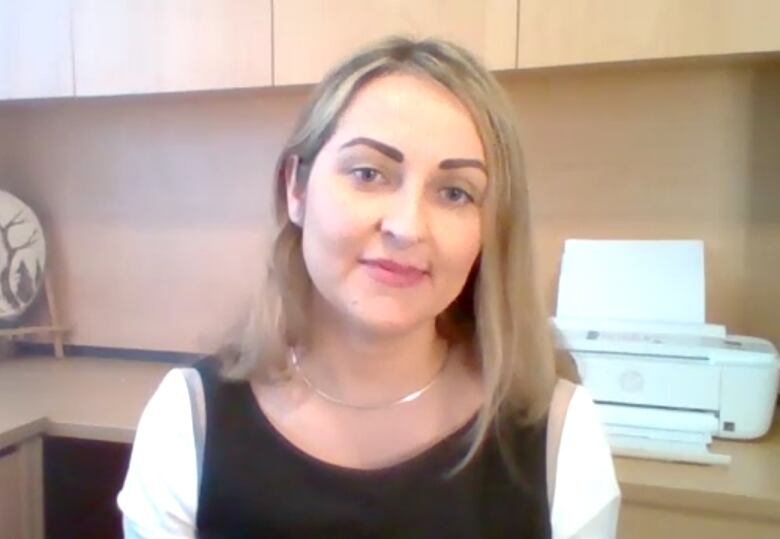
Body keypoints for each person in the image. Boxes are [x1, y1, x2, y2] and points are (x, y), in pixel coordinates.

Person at [117, 37, 620, 538]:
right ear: (296, 188)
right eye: (368, 173)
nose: (406, 227)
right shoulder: (190, 422)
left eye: (454, 193)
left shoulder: (560, 439)